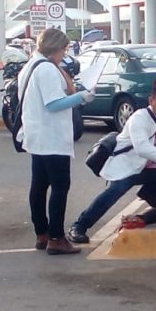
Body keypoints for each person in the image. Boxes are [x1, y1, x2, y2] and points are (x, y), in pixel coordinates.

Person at [67, 84, 156, 244]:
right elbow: (142, 148)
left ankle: (149, 193)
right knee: (114, 193)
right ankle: (80, 226)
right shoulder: (139, 118)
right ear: (151, 101)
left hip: (152, 166)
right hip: (129, 167)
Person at [18, 28, 96, 255]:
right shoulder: (47, 70)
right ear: (55, 48)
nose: (65, 53)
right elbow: (53, 104)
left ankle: (42, 233)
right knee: (60, 187)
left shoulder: (30, 67)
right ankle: (56, 237)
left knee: (39, 186)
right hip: (51, 137)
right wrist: (81, 97)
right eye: (64, 48)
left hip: (36, 135)